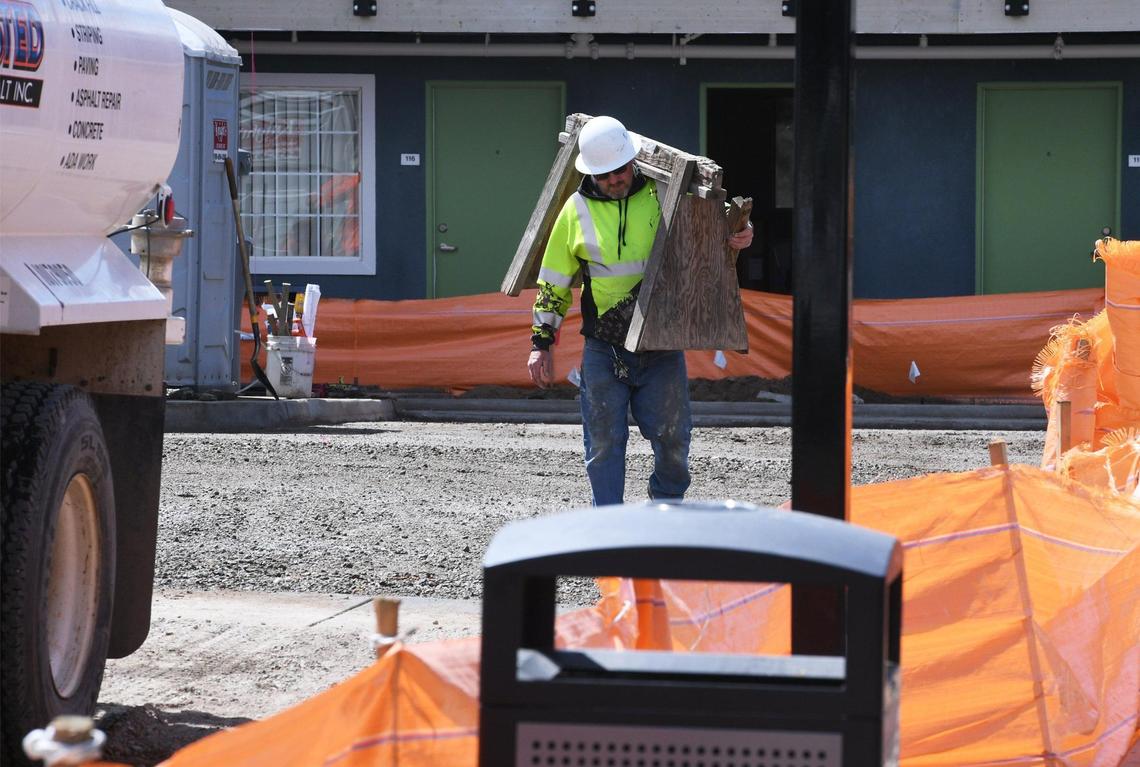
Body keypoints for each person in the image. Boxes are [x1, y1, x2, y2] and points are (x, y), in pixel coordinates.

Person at [527, 115, 753, 506]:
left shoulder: (663, 198)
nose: (615, 180)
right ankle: (610, 522)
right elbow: (553, 282)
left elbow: (713, 235)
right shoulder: (574, 212)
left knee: (672, 436)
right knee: (602, 440)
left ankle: (666, 506)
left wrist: (741, 235)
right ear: (591, 175)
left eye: (621, 170)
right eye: (605, 176)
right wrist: (540, 341)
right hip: (604, 346)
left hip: (660, 344)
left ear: (633, 163)